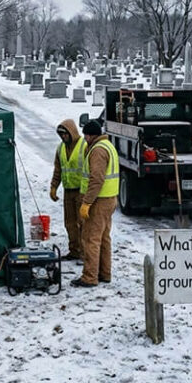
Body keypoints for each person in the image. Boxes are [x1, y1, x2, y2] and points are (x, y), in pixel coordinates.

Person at [71, 120, 119, 287]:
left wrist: (87, 202)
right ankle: (104, 273)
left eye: (86, 135)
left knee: (91, 238)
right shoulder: (108, 146)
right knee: (104, 238)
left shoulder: (98, 151)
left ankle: (90, 277)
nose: (84, 139)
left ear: (91, 135)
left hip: (98, 201)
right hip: (110, 199)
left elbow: (96, 179)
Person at [49, 119, 87, 260]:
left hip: (82, 191)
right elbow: (58, 170)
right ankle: (74, 250)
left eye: (65, 134)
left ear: (72, 132)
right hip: (68, 191)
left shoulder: (84, 146)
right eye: (61, 135)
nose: (63, 137)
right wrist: (54, 186)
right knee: (70, 223)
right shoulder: (61, 148)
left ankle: (84, 252)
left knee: (83, 223)